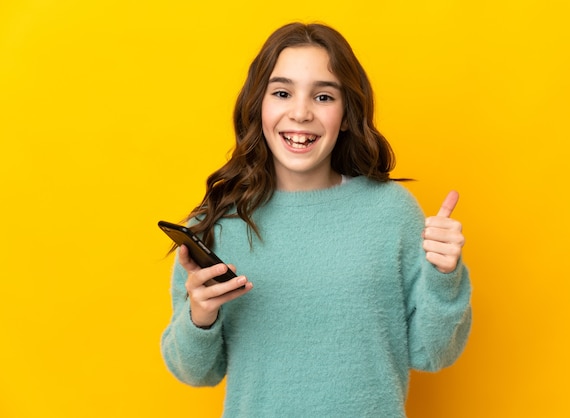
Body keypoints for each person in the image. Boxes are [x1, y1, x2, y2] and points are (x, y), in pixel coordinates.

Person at [161, 22, 472, 417]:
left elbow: (432, 354)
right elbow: (195, 373)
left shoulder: (392, 213)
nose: (301, 112)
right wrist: (200, 316)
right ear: (259, 105)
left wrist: (445, 277)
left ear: (346, 115)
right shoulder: (218, 223)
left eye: (323, 96)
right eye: (282, 93)